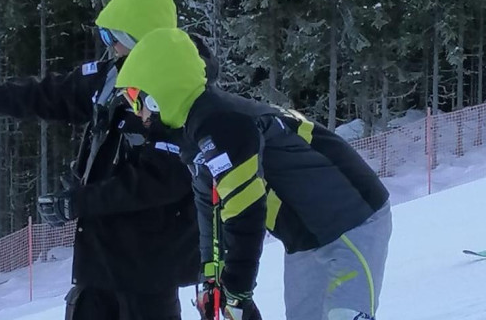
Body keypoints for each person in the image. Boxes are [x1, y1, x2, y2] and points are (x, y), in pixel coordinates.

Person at [0, 0, 218, 320]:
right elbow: (50, 93)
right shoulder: (111, 78)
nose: (111, 46)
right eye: (107, 36)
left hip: (149, 269)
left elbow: (160, 181)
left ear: (143, 40)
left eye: (116, 38)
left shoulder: (182, 93)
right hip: (99, 263)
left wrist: (78, 201)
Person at [114, 28, 392, 320]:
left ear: (159, 94)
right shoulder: (195, 134)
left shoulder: (222, 124)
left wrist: (237, 291)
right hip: (306, 238)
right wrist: (211, 278)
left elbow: (245, 210)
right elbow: (210, 206)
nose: (136, 112)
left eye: (135, 98)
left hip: (351, 218)